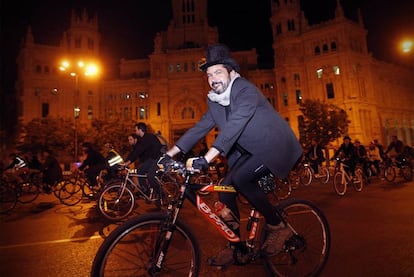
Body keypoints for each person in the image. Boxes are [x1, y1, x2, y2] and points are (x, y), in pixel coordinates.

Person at [158, 44, 303, 266]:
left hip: (274, 147)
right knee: (225, 190)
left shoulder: (244, 90)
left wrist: (207, 159)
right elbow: (199, 128)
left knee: (240, 179)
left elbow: (236, 125)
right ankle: (236, 246)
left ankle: (278, 227)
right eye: (208, 74)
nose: (213, 78)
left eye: (217, 72)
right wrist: (168, 155)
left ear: (231, 72)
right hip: (250, 152)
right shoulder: (215, 100)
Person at [124, 122, 163, 198]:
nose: (135, 132)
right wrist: (127, 161)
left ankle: (160, 194)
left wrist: (128, 162)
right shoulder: (142, 139)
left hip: (157, 159)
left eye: (136, 130)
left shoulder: (148, 137)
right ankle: (146, 191)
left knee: (151, 176)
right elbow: (135, 152)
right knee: (140, 170)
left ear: (140, 130)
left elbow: (139, 151)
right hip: (151, 159)